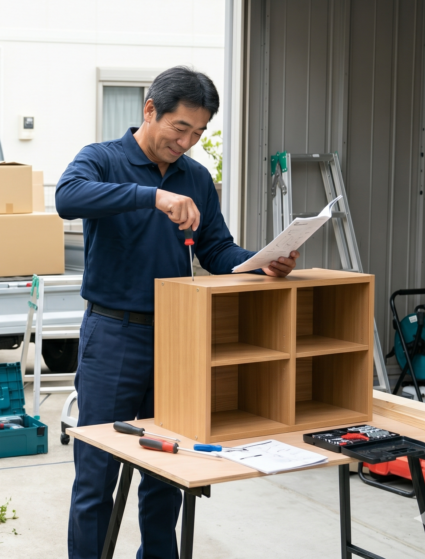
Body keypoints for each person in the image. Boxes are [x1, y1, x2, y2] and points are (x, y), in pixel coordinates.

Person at [56, 66, 299, 559]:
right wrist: (153, 196)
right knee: (97, 475)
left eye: (199, 132)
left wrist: (260, 264)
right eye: (180, 128)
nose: (187, 142)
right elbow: (67, 199)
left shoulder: (196, 178)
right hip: (112, 335)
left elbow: (218, 251)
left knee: (167, 472)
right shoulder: (100, 160)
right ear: (150, 110)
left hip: (175, 340)